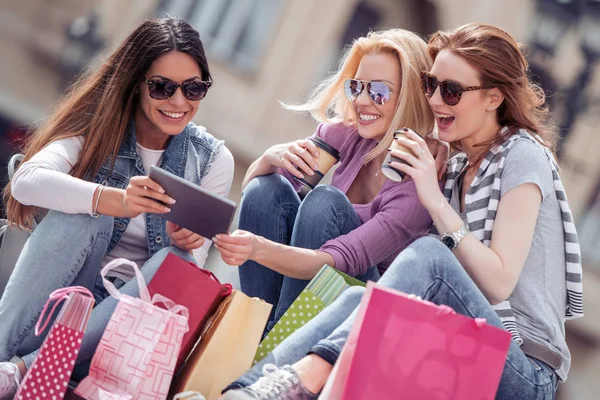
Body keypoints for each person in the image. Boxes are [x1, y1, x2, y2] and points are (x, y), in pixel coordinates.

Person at [220, 22, 583, 400]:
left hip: (522, 367)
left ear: (493, 98)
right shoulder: (456, 165)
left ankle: (307, 378)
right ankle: (248, 390)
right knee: (358, 300)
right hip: (459, 337)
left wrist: (433, 198)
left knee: (428, 254)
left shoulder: (522, 154)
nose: (437, 101)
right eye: (431, 85)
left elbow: (499, 282)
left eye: (452, 90)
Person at [0, 18, 234, 398]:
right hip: (51, 306)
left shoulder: (212, 159)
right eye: (162, 87)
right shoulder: (99, 125)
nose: (179, 102)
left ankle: (23, 368)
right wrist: (115, 200)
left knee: (181, 261)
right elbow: (27, 181)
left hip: (119, 329)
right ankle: (4, 360)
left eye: (193, 88)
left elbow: (187, 272)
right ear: (135, 82)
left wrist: (187, 239)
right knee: (84, 220)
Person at [212, 28, 448, 332]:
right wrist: (269, 158)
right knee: (267, 188)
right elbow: (258, 204)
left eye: (378, 92)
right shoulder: (346, 135)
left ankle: (275, 339)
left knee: (326, 202)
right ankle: (256, 330)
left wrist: (256, 249)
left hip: (368, 313)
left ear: (409, 98)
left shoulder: (419, 177)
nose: (362, 101)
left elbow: (341, 260)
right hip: (312, 291)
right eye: (356, 88)